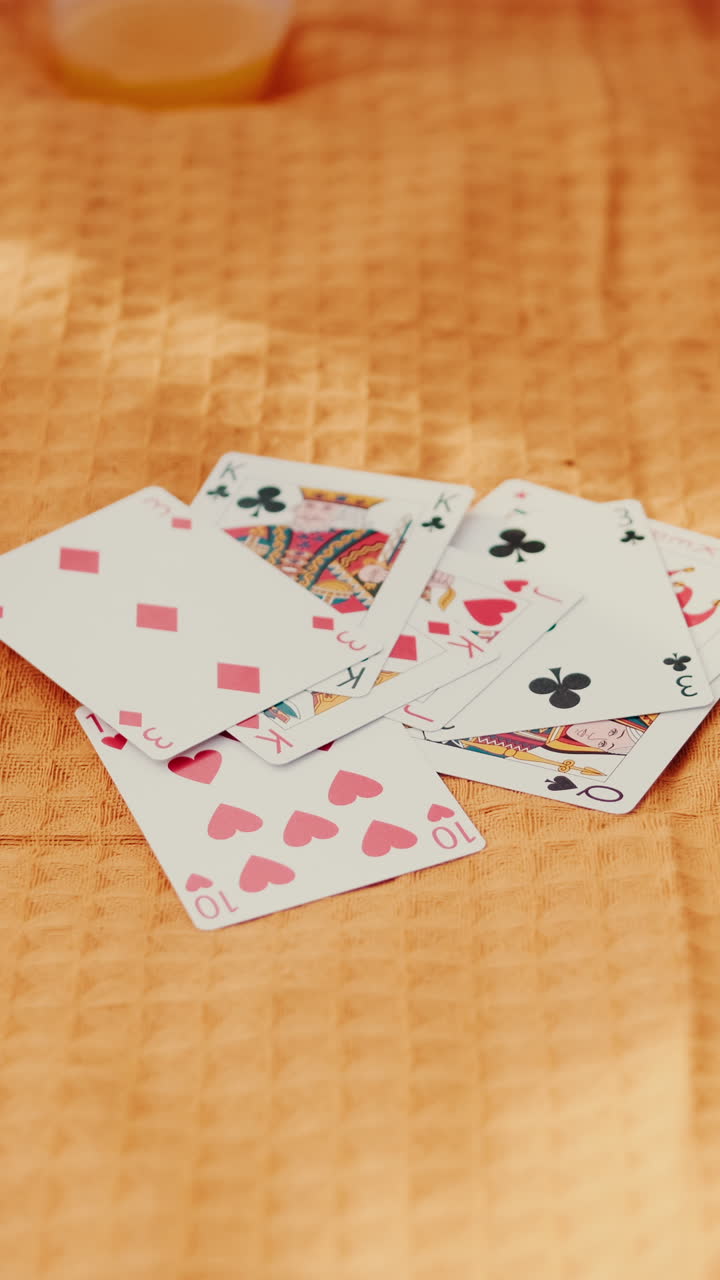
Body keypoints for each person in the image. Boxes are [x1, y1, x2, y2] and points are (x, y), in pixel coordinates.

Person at [225, 486, 410, 613]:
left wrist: (368, 577)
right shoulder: (267, 531)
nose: (312, 513)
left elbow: (405, 584)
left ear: (347, 514)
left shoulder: (372, 540)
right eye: (310, 505)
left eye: (326, 509)